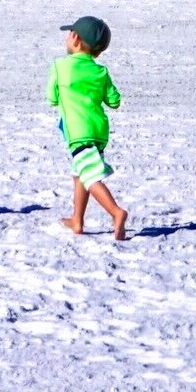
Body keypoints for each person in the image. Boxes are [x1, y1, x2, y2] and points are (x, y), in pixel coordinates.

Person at [48, 15, 128, 240]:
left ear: (75, 38)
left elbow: (51, 98)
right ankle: (77, 220)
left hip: (77, 132)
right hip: (98, 131)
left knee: (90, 175)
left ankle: (116, 212)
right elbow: (114, 101)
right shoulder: (101, 71)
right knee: (79, 174)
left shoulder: (60, 66)